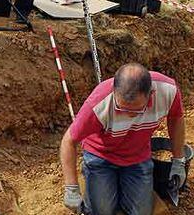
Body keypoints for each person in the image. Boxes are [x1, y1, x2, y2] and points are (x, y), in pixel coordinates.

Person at [60, 63, 187, 215]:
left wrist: (178, 160)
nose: (128, 115)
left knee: (141, 212)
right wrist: (71, 188)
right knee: (102, 211)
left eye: (136, 110)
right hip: (101, 156)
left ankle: (122, 189)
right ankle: (95, 185)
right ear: (115, 92)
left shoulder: (168, 91)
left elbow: (176, 118)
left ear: (151, 94)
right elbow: (69, 140)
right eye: (121, 108)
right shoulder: (99, 103)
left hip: (137, 156)